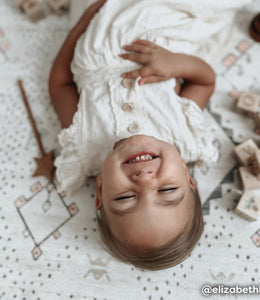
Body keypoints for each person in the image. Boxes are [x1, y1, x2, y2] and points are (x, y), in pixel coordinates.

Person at [49, 0, 218, 270]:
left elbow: (59, 83)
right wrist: (174, 63)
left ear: (101, 190)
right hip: (160, 17)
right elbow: (205, 80)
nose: (145, 180)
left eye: (125, 197)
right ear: (187, 176)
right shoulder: (185, 134)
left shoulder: (83, 146)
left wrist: (81, 24)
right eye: (167, 189)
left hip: (97, 24)